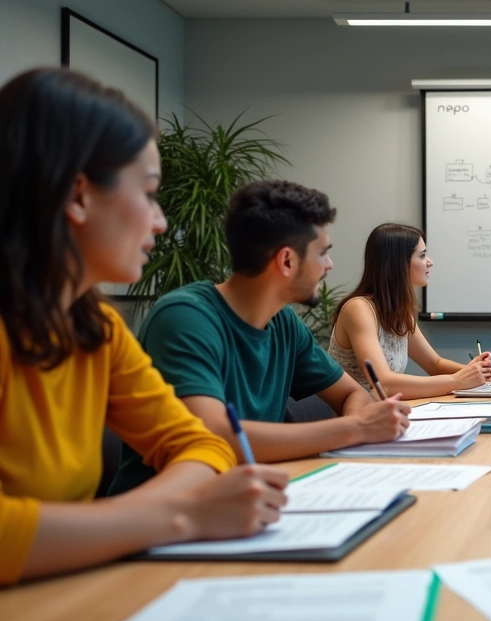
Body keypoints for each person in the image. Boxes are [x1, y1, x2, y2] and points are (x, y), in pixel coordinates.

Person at [0, 68, 287, 584]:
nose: (160, 221)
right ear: (79, 195)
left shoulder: (96, 327)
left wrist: (139, 520)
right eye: (150, 193)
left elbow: (203, 444)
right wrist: (180, 515)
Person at [109, 180, 411, 495]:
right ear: (286, 261)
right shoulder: (184, 318)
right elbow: (215, 436)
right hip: (165, 521)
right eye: (322, 253)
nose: (329, 265)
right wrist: (355, 429)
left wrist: (355, 430)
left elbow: (353, 394)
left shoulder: (282, 322)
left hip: (247, 500)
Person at [329, 223, 491, 398]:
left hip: (383, 415)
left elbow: (435, 364)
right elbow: (384, 384)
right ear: (398, 263)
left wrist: (475, 372)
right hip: (354, 418)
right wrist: (457, 381)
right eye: (422, 255)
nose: (430, 262)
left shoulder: (397, 313)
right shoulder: (358, 309)